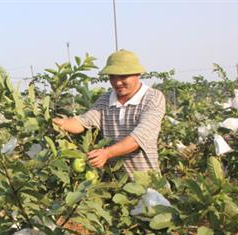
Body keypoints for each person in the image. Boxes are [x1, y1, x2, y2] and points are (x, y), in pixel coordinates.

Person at [53, 49, 166, 177]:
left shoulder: (153, 98)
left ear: (138, 74)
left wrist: (107, 153)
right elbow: (84, 122)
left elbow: (138, 138)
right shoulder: (105, 100)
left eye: (123, 76)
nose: (117, 82)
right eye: (112, 76)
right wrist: (60, 123)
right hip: (111, 185)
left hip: (146, 183)